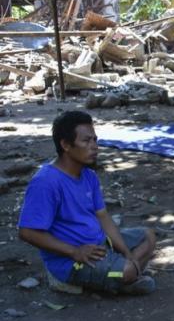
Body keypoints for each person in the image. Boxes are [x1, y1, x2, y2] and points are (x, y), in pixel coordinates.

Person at [18, 111, 157, 295]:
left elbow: (103, 217)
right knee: (126, 270)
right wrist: (74, 251)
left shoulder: (89, 176)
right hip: (71, 261)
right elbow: (26, 232)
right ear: (66, 145)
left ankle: (122, 273)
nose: (94, 147)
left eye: (95, 140)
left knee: (149, 237)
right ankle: (122, 275)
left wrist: (126, 252)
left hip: (100, 245)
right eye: (86, 141)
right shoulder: (46, 182)